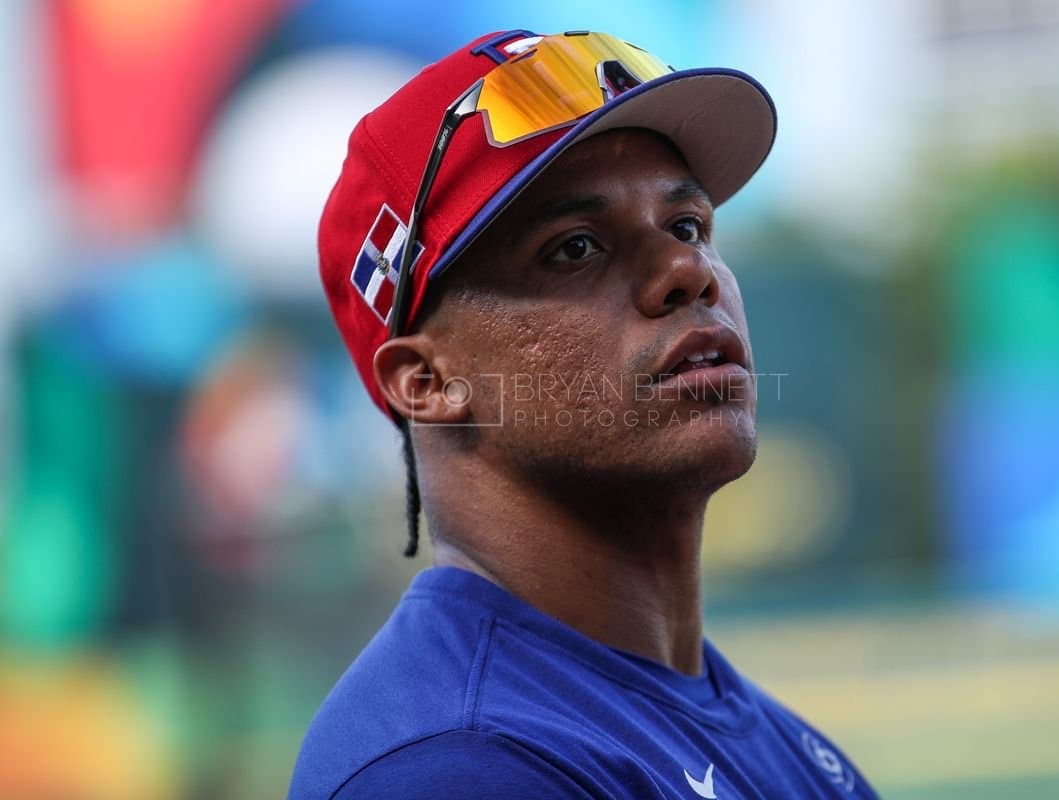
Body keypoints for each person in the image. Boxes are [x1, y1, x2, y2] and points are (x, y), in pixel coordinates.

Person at [288, 29, 878, 800]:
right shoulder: (453, 767)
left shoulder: (788, 748)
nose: (685, 271)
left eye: (688, 225)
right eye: (574, 248)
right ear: (426, 380)